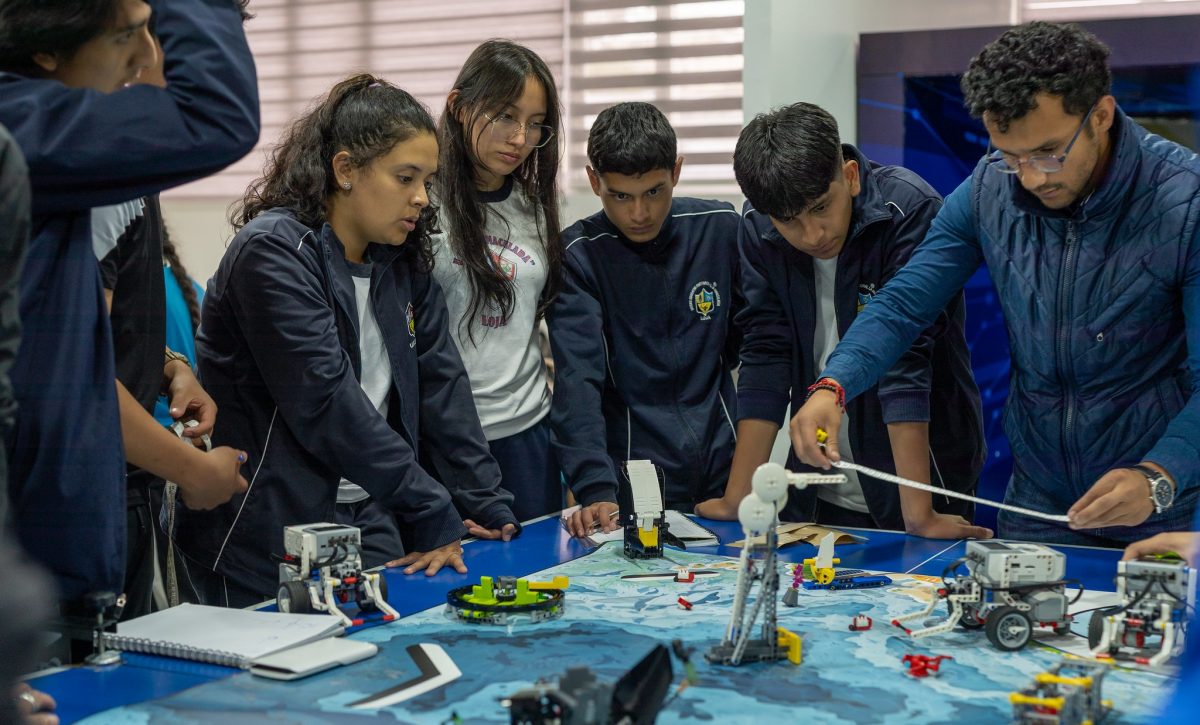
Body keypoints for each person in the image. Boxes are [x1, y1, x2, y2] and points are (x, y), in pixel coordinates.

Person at [792, 22, 1200, 546]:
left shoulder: (1184, 204)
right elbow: (903, 303)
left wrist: (1159, 478)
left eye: (1049, 153)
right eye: (1011, 158)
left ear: (1100, 115)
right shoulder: (989, 189)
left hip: (1161, 506)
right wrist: (835, 383)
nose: (1032, 178)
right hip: (1039, 500)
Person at [177, 75, 520, 607]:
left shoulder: (400, 258)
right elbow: (326, 402)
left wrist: (485, 503)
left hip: (370, 513)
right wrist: (430, 505)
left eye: (428, 180)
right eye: (406, 177)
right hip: (267, 530)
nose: (421, 198)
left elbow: (441, 385)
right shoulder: (273, 252)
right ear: (344, 170)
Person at [0, 0, 259, 608]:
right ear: (46, 50)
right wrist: (193, 471)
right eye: (126, 37)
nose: (146, 58)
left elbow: (58, 320)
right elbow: (212, 115)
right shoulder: (29, 131)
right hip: (49, 520)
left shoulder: (64, 154)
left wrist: (166, 360)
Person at [694, 102, 989, 539]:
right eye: (790, 222)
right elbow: (766, 354)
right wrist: (740, 495)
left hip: (921, 476)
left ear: (849, 176)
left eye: (820, 208)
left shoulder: (907, 209)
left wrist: (919, 514)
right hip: (819, 478)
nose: (813, 235)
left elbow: (905, 357)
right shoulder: (758, 228)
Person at [551, 102, 741, 537]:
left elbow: (751, 348)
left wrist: (746, 471)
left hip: (728, 473)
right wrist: (594, 485)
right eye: (621, 196)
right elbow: (578, 380)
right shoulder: (578, 256)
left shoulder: (720, 229)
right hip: (632, 484)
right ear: (594, 181)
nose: (639, 214)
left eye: (654, 191)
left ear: (676, 171)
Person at [431, 40, 564, 521]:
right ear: (459, 106)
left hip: (528, 434)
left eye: (534, 124)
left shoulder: (535, 209)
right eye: (506, 116)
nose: (520, 137)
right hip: (442, 439)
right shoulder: (419, 203)